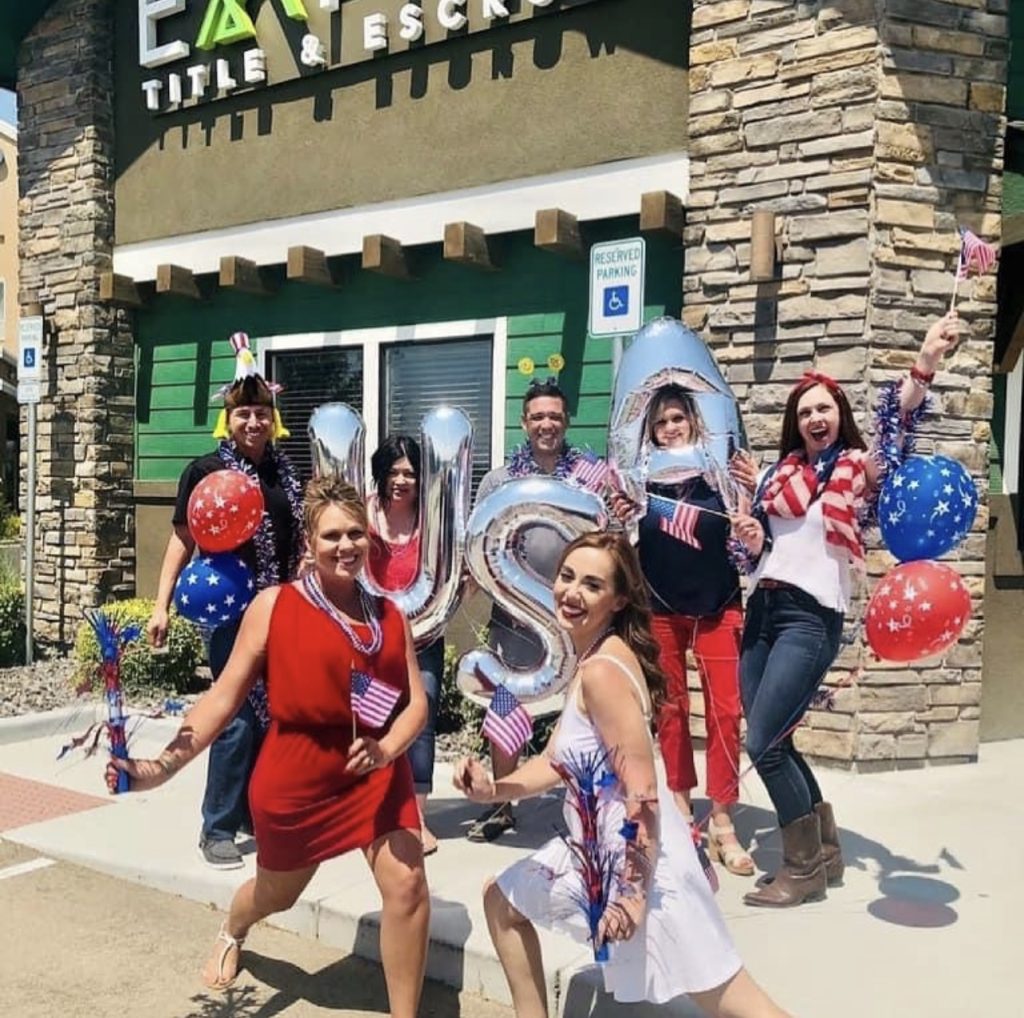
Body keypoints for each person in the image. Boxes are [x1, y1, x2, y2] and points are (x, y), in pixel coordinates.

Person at [109, 477, 430, 1014]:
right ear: (309, 541)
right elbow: (222, 699)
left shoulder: (391, 615)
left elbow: (415, 703)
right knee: (276, 894)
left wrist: (390, 748)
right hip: (298, 775)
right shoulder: (273, 606)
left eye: (355, 532)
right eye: (332, 535)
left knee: (408, 885)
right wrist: (162, 766)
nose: (345, 545)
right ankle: (234, 927)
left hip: (375, 766)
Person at [453, 532, 788, 1018]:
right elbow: (556, 761)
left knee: (739, 1004)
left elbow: (644, 792)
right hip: (602, 849)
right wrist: (494, 790)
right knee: (503, 900)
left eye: (592, 585)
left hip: (642, 863)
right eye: (567, 577)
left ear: (619, 599)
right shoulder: (594, 658)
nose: (572, 592)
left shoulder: (602, 673)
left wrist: (632, 895)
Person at [730, 311, 961, 908]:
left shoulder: (858, 469)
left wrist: (927, 360)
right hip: (763, 613)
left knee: (765, 743)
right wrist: (755, 541)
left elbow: (898, 425)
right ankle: (825, 853)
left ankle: (802, 870)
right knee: (776, 737)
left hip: (811, 619)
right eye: (805, 411)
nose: (814, 418)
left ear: (839, 417)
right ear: (795, 423)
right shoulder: (780, 476)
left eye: (823, 409)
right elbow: (763, 555)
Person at [146, 332, 302, 870]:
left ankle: (253, 815)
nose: (254, 422)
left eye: (262, 412)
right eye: (244, 414)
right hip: (233, 613)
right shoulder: (207, 472)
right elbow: (182, 540)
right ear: (228, 420)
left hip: (281, 609)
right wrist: (161, 605)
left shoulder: (285, 472)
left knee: (275, 716)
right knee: (233, 717)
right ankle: (216, 827)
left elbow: (299, 539)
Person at [611, 385, 754, 876]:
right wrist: (621, 518)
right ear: (649, 432)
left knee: (726, 713)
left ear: (694, 421)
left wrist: (749, 499)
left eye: (678, 418)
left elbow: (748, 535)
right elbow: (622, 546)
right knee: (671, 711)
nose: (671, 428)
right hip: (662, 610)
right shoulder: (638, 484)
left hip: (719, 606)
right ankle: (680, 807)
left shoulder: (720, 476)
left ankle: (722, 818)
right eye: (660, 422)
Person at [466, 377, 588, 843]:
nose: (547, 424)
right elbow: (478, 540)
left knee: (581, 711)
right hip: (515, 616)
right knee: (505, 705)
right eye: (538, 416)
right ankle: (501, 803)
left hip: (576, 618)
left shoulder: (588, 474)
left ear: (566, 420)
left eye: (554, 416)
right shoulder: (501, 480)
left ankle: (582, 806)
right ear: (524, 422)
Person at [367, 434, 445, 855]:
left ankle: (415, 818)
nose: (401, 480)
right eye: (394, 472)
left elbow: (451, 572)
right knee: (373, 719)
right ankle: (372, 807)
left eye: (410, 473)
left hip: (424, 637)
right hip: (372, 638)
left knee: (421, 720)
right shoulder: (365, 512)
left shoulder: (433, 519)